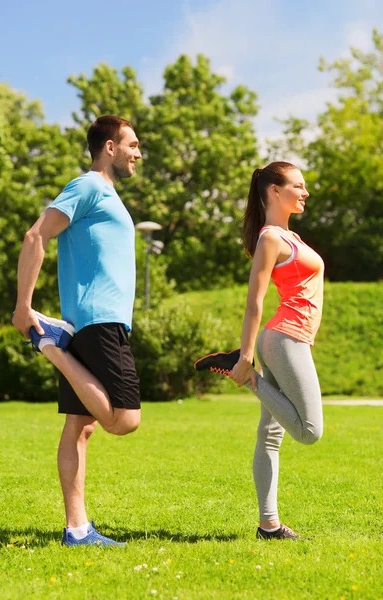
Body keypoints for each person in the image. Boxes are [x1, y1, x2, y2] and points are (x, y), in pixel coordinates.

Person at [12, 115, 142, 546]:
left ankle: (77, 528)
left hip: (96, 319)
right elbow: (36, 236)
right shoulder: (88, 186)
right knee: (124, 421)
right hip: (96, 319)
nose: (138, 153)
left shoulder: (107, 195)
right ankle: (50, 343)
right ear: (109, 147)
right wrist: (23, 307)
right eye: (132, 144)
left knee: (81, 428)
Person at [195, 161, 324, 540]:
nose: (305, 192)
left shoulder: (291, 237)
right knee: (310, 431)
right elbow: (255, 301)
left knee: (270, 435)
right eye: (298, 186)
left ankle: (268, 525)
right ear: (273, 191)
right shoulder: (271, 237)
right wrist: (247, 356)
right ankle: (244, 373)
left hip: (292, 338)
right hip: (284, 338)